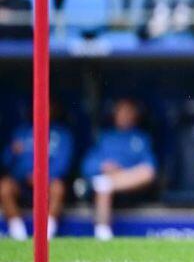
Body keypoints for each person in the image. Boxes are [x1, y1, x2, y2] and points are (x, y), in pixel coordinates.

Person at [80, 98, 157, 241]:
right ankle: (102, 232)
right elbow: (87, 166)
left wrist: (121, 174)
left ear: (136, 115)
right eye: (121, 112)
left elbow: (150, 168)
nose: (125, 116)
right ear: (114, 114)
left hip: (131, 188)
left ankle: (109, 183)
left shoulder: (141, 138)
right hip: (103, 189)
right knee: (102, 183)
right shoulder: (105, 137)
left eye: (129, 112)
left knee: (146, 172)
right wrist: (104, 166)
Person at [1, 103, 74, 241]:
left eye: (47, 107)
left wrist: (42, 176)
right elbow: (6, 161)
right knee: (4, 187)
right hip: (22, 183)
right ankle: (18, 234)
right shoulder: (21, 131)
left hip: (48, 182)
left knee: (58, 188)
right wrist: (12, 152)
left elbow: (64, 163)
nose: (43, 110)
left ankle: (47, 233)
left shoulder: (62, 134)